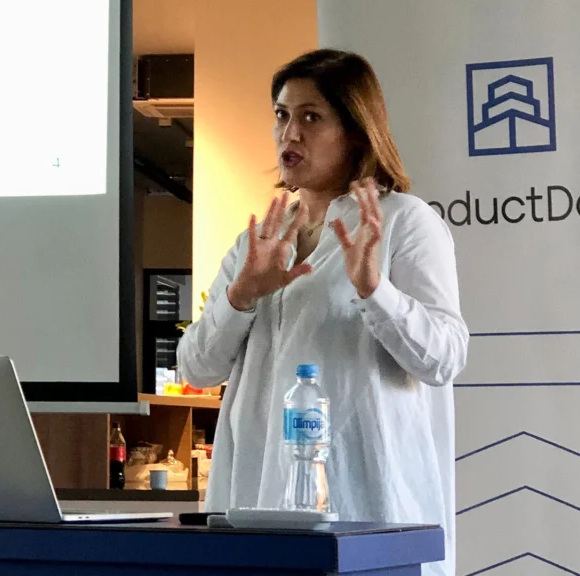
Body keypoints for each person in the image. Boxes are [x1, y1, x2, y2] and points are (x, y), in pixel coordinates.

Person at [176, 48, 468, 576]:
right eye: (282, 115)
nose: (290, 133)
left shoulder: (405, 223)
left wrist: (374, 289)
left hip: (368, 517)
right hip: (256, 515)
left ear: (355, 132)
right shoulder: (257, 242)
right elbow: (196, 368)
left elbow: (444, 358)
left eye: (311, 117)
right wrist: (241, 295)